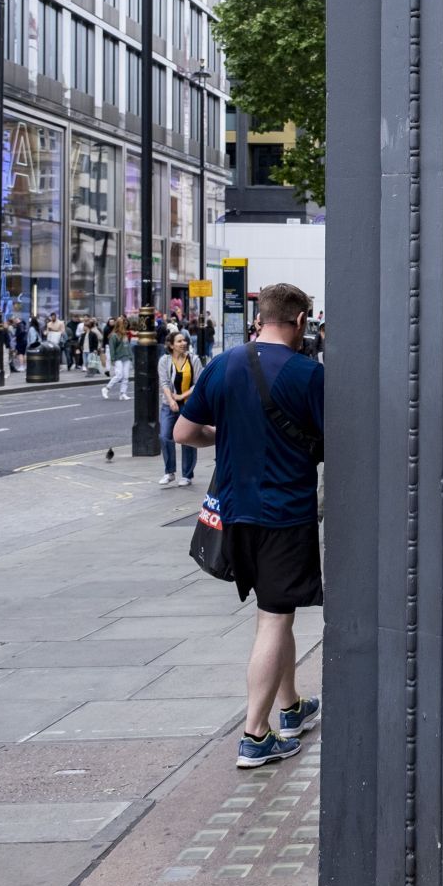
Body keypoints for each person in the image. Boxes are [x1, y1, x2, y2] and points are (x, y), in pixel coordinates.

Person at [174, 282, 324, 768]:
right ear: (301, 320)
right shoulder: (308, 374)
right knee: (275, 618)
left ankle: (291, 706)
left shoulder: (223, 363)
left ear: (261, 317)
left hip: (233, 511)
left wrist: (225, 433)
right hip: (284, 514)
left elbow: (184, 432)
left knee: (272, 613)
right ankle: (255, 736)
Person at [158, 332, 199, 487]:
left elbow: (198, 383)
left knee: (187, 438)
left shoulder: (193, 359)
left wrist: (181, 397)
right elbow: (164, 382)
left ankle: (187, 475)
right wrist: (171, 400)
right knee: (165, 436)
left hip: (188, 405)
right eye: (179, 341)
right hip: (169, 404)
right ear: (171, 345)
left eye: (184, 340)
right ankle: (169, 472)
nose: (183, 343)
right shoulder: (164, 360)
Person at [103, 317, 132, 399]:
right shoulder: (114, 336)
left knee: (126, 376)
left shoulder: (125, 335)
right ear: (120, 325)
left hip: (126, 357)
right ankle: (106, 388)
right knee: (119, 375)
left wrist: (131, 356)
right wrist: (112, 359)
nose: (126, 326)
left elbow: (128, 347)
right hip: (118, 357)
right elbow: (112, 348)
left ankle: (123, 393)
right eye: (124, 324)